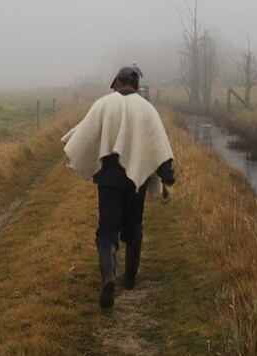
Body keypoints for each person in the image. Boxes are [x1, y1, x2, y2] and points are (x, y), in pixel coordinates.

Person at [61, 65, 175, 309]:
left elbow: (85, 133)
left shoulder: (102, 104)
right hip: (138, 180)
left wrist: (71, 142)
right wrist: (167, 175)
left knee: (107, 231)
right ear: (135, 84)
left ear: (118, 82)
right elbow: (159, 145)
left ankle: (109, 277)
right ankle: (130, 280)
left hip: (108, 179)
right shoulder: (147, 109)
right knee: (134, 228)